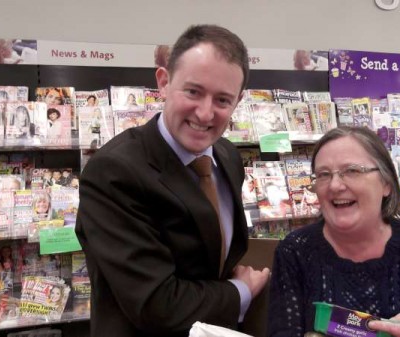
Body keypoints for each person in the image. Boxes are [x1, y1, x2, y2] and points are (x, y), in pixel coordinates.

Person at [75, 24, 270, 337]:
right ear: (163, 82)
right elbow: (156, 304)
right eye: (193, 92)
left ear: (238, 100)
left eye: (222, 100)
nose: (205, 114)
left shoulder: (227, 156)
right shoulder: (114, 172)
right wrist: (240, 291)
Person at [268, 126, 400, 337]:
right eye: (323, 175)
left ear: (386, 184)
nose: (334, 185)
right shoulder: (295, 251)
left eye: (352, 171)